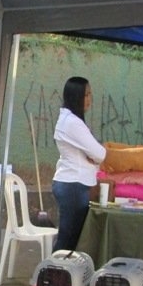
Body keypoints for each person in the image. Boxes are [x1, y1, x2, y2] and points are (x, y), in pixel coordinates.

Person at [51, 76, 107, 250]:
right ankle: (54, 267)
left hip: (72, 184)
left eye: (90, 94)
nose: (89, 99)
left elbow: (95, 154)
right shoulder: (73, 123)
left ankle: (57, 266)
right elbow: (100, 153)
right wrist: (93, 156)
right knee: (68, 240)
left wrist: (92, 156)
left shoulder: (69, 120)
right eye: (85, 95)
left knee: (70, 238)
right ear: (75, 96)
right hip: (73, 185)